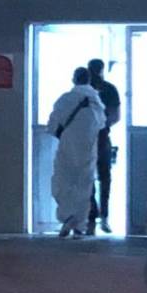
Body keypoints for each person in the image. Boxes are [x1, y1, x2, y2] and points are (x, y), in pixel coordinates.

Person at [49, 67, 106, 239]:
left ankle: (67, 217)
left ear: (74, 79)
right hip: (88, 148)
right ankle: (79, 224)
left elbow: (53, 124)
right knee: (84, 184)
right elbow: (101, 124)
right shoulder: (96, 101)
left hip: (67, 146)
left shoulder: (65, 99)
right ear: (89, 80)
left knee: (63, 181)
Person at [87, 58, 122, 234]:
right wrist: (103, 125)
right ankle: (102, 217)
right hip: (101, 137)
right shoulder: (109, 89)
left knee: (89, 177)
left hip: (88, 138)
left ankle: (93, 216)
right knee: (104, 177)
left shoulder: (84, 90)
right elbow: (116, 116)